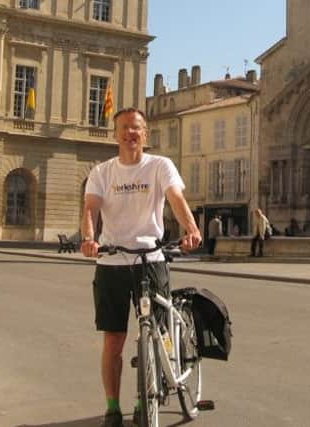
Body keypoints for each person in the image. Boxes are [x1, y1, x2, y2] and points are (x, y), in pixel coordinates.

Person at [80, 108, 202, 427]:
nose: (130, 133)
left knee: (158, 332)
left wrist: (190, 228)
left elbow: (175, 197)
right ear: (115, 134)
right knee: (114, 340)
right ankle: (112, 407)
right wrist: (89, 239)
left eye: (136, 128)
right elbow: (91, 209)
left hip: (151, 259)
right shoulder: (102, 172)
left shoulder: (160, 166)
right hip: (112, 262)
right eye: (124, 128)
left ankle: (150, 395)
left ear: (145, 134)